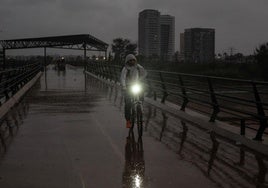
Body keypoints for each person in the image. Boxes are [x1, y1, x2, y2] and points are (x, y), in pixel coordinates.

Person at [120, 54, 147, 128]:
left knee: (141, 97)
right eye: (130, 60)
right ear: (127, 61)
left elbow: (144, 73)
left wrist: (141, 79)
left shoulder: (138, 67)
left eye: (133, 60)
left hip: (137, 85)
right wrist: (124, 86)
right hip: (128, 87)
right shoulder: (125, 69)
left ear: (135, 60)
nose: (132, 61)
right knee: (128, 104)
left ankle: (140, 112)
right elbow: (122, 78)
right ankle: (128, 120)